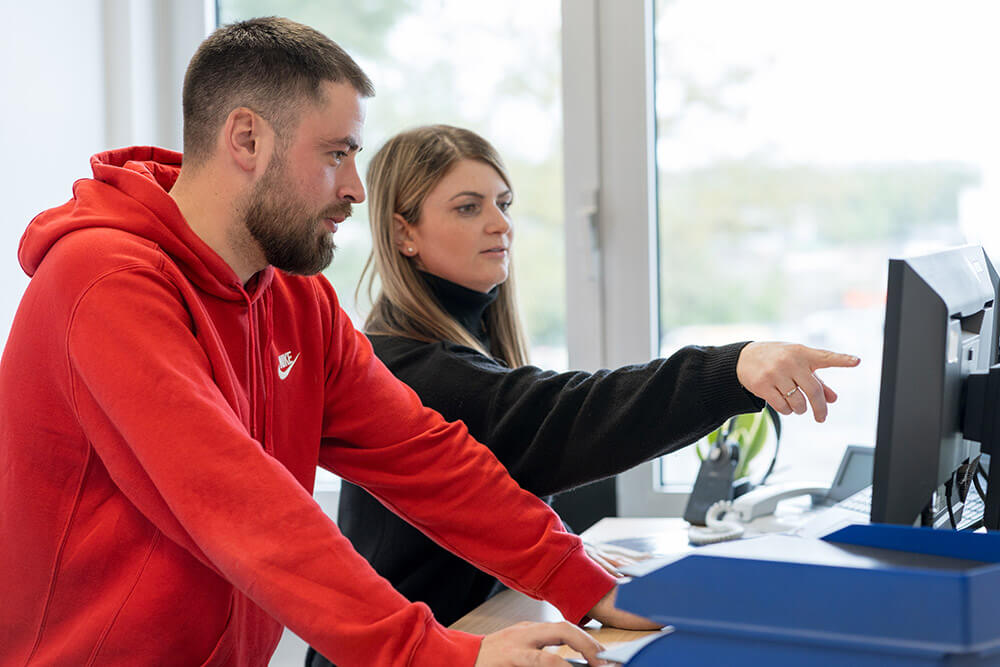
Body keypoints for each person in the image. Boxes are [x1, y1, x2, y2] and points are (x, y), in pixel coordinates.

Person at [0, 18, 660, 667]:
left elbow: (421, 454)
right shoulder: (103, 281)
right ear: (247, 138)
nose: (354, 189)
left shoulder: (294, 297)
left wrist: (582, 579)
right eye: (336, 154)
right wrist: (437, 655)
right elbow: (242, 505)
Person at [307, 123, 861, 666]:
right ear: (403, 232)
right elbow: (557, 415)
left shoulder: (457, 345)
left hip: (472, 630)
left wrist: (572, 555)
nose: (500, 224)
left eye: (504, 203)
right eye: (468, 207)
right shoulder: (404, 364)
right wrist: (730, 369)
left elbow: (503, 475)